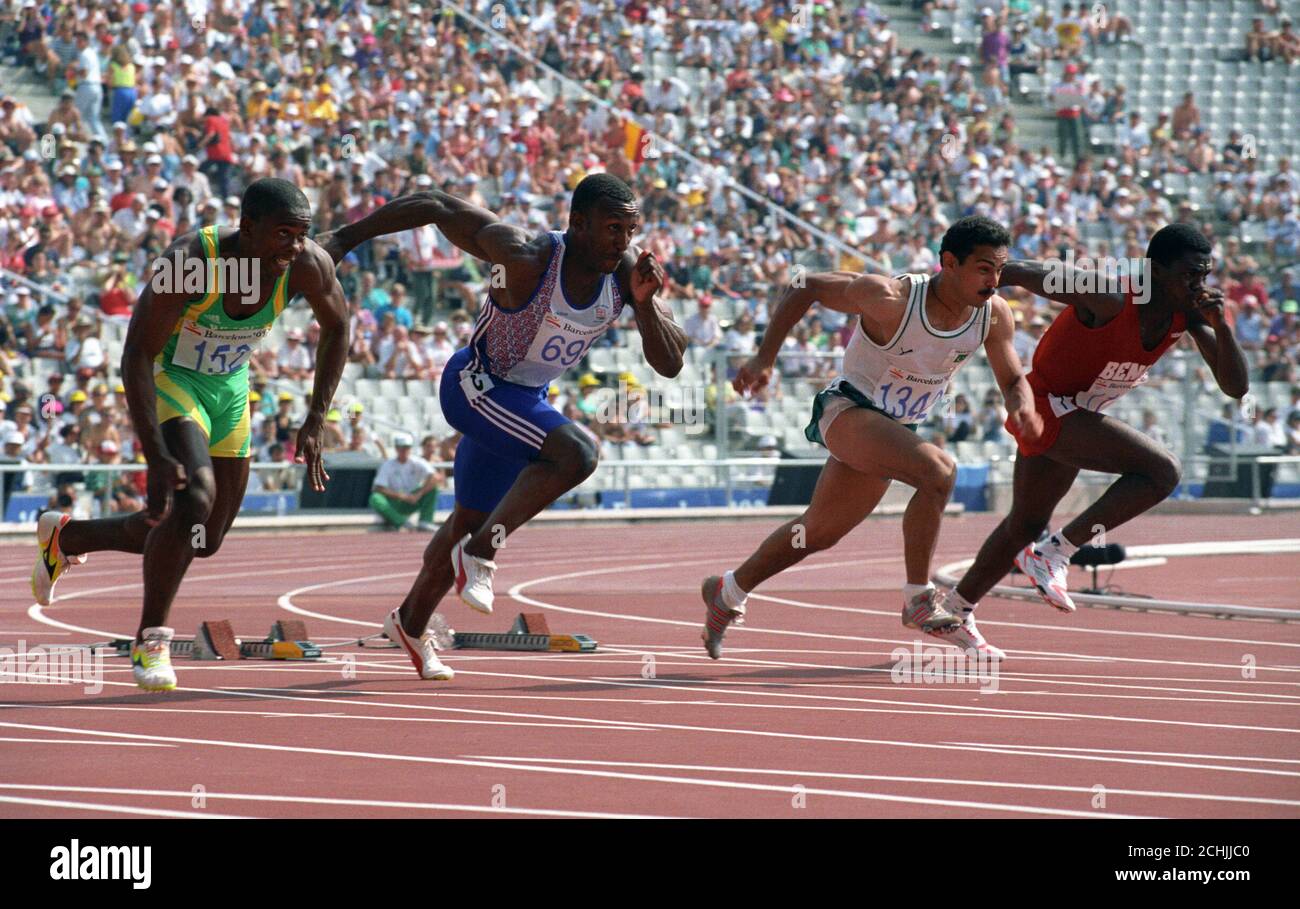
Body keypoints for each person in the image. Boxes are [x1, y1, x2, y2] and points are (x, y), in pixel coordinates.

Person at [320, 174, 686, 682]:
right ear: (577, 224)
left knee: (464, 521)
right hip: (475, 386)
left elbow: (671, 361)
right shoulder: (527, 256)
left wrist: (645, 305)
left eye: (630, 229)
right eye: (611, 228)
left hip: (522, 404)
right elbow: (435, 204)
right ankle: (484, 553)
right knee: (577, 454)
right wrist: (342, 239)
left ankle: (409, 622)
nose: (622, 241)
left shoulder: (625, 272)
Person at [32, 178, 350, 692]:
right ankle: (150, 641)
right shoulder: (191, 262)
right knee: (195, 499)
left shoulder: (306, 264)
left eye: (302, 234)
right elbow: (135, 353)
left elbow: (339, 327)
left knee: (203, 538)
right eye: (283, 234)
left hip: (229, 391)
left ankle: (69, 536)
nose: (294, 247)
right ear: (248, 228)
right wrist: (156, 455)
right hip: (172, 380)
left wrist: (316, 416)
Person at [702, 217, 1041, 661]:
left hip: (893, 430)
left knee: (817, 533)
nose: (994, 282)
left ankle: (727, 591)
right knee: (939, 472)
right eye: (983, 269)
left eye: (999, 270)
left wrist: (1023, 407)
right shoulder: (892, 298)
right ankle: (919, 598)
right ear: (949, 264)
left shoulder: (992, 315)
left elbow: (1013, 377)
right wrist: (765, 357)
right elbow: (805, 286)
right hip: (847, 412)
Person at [950, 224, 1249, 649]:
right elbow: (1018, 271)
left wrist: (1223, 327)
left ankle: (954, 610)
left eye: (1204, 275)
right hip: (1042, 404)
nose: (1198, 285)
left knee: (1025, 524)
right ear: (1156, 271)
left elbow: (1236, 387)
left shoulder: (1190, 314)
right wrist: (957, 295)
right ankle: (1055, 552)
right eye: (1188, 275)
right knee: (1162, 472)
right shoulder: (1109, 295)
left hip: (1076, 414)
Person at [369, 432, 440, 531]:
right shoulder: (388, 465)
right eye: (401, 447)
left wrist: (418, 494)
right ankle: (402, 522)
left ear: (410, 448)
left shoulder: (417, 461)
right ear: (396, 448)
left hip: (413, 499)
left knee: (433, 489)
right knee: (375, 498)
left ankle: (425, 521)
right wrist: (401, 496)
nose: (404, 450)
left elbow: (435, 477)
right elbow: (378, 488)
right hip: (393, 502)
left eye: (407, 447)